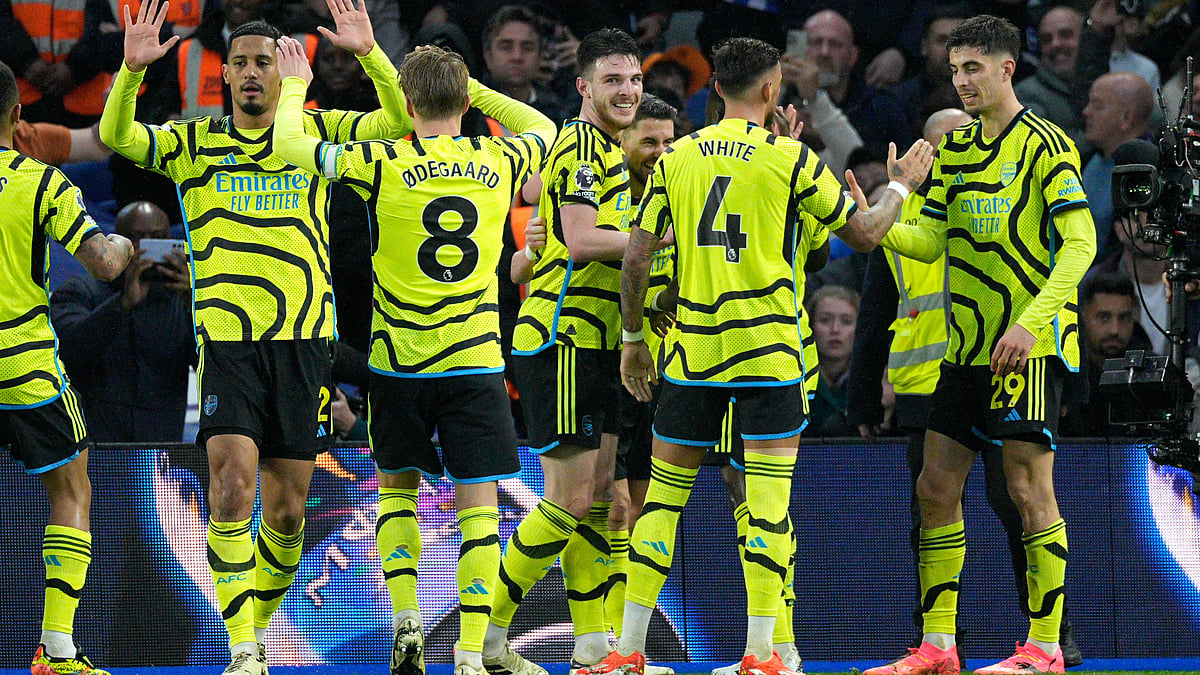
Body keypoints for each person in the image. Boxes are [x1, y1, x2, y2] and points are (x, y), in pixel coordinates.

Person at [580, 36, 933, 675]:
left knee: (662, 502)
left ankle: (627, 651)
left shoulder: (675, 157)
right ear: (771, 90)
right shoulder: (791, 159)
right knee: (766, 508)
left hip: (694, 355)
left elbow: (637, 255)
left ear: (715, 88)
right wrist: (902, 186)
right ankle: (763, 654)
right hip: (769, 356)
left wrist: (632, 339)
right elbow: (864, 234)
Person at [97, 0, 411, 673]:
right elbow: (117, 134)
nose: (248, 73)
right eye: (238, 62)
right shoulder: (194, 141)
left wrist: (370, 55)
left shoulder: (315, 131)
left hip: (304, 341)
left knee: (289, 513)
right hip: (228, 342)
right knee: (231, 486)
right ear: (226, 74)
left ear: (282, 71)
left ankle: (255, 631)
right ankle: (242, 644)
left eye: (262, 62)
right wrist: (130, 72)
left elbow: (397, 122)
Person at [272, 38, 556, 675]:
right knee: (479, 509)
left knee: (397, 492)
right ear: (465, 99)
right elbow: (543, 123)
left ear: (405, 101)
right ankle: (469, 652)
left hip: (397, 362)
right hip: (474, 362)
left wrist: (295, 86)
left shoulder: (382, 159)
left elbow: (289, 145)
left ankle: (406, 617)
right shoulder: (501, 155)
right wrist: (472, 88)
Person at [866, 14, 1097, 674]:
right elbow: (930, 242)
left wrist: (1032, 323)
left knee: (1027, 490)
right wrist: (882, 215)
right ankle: (939, 646)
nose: (962, 80)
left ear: (1006, 69)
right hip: (964, 351)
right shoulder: (958, 148)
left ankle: (1045, 647)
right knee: (935, 487)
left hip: (1028, 348)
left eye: (973, 68)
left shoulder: (1047, 144)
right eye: (955, 69)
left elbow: (1081, 243)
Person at [498, 28, 644, 675]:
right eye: (613, 80)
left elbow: (552, 220)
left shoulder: (609, 151)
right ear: (584, 85)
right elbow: (583, 241)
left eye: (634, 79)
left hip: (600, 343)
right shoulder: (584, 144)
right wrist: (661, 237)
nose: (627, 91)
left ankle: (592, 645)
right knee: (568, 502)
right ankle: (485, 636)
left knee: (605, 499)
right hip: (562, 340)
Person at [0, 58, 136, 675]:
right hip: (24, 369)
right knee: (72, 488)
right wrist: (125, 245)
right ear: (17, 114)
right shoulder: (41, 183)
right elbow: (104, 264)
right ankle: (57, 651)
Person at [50, 200, 195, 443]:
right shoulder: (79, 291)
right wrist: (122, 304)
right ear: (116, 243)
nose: (146, 249)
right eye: (137, 238)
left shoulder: (182, 301)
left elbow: (211, 367)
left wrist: (195, 304)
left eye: (158, 238)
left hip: (161, 448)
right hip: (96, 446)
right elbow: (67, 352)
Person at [802, 9, 912, 151]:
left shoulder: (881, 108)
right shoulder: (783, 96)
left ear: (853, 56)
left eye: (835, 44)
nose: (825, 52)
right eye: (816, 42)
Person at [1060, 273, 1151, 437]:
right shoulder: (1064, 370)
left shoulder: (1150, 371)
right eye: (1104, 317)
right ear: (1083, 316)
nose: (1115, 330)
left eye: (1124, 318)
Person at [1080, 72, 1154, 259]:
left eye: (1097, 106)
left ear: (1126, 118)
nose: (1086, 112)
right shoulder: (1083, 159)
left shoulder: (1149, 175)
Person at [481, 4, 574, 126]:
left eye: (527, 48)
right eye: (506, 47)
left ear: (540, 57)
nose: (517, 56)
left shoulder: (559, 115)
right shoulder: (468, 112)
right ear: (487, 56)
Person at [1014, 5, 1086, 148]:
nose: (1056, 44)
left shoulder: (1107, 82)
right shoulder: (1026, 94)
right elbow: (1044, 148)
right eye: (1046, 39)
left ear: (1086, 37)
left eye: (1065, 35)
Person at [806, 285, 859, 436]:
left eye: (846, 321)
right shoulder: (795, 379)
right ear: (810, 325)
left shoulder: (874, 382)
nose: (835, 329)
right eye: (825, 320)